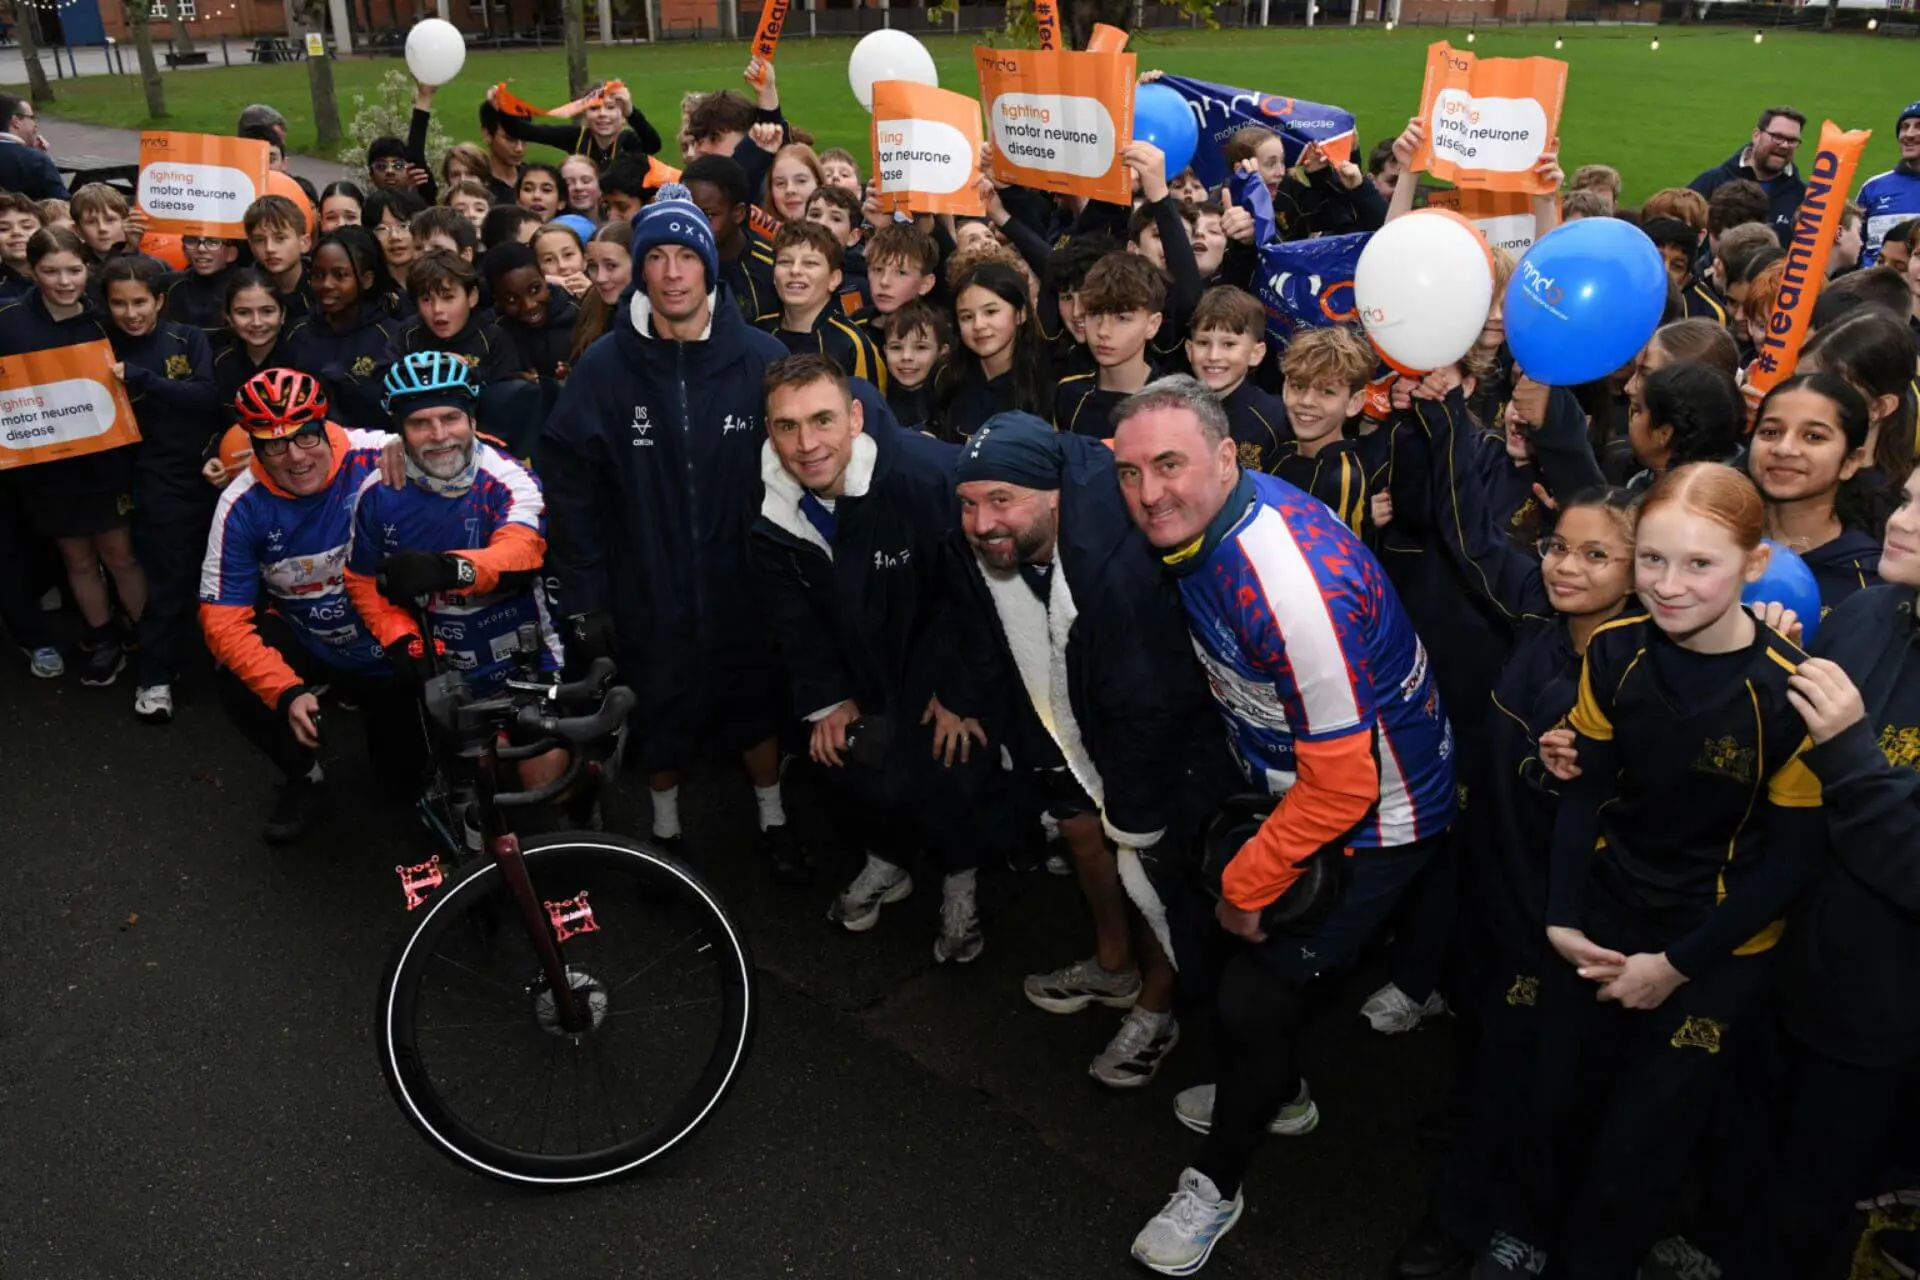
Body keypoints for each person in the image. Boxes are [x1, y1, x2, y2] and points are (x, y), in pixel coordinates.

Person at [1109, 376, 1455, 1276]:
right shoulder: (1207, 529)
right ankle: (1279, 1094)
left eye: (1172, 465)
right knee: (1238, 967)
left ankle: (1216, 1186)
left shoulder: (1289, 582)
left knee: (1253, 994)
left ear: (1228, 459)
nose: (1150, 494)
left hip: (1381, 811)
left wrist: (1250, 882)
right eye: (1132, 473)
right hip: (1291, 779)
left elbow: (1345, 786)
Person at [1487, 463, 1826, 1279]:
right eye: (1653, 562)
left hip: (1713, 946)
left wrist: (1674, 968)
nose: (1669, 586)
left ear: (1754, 564)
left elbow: (1791, 864)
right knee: (1557, 1093)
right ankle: (1527, 1230)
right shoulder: (1615, 650)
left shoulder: (1792, 695)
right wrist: (1563, 920)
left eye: (1700, 564)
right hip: (1605, 914)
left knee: (1645, 1136)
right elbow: (1586, 793)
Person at [539, 182, 808, 881]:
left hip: (742, 580)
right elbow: (571, 491)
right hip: (646, 582)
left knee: (754, 707)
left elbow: (809, 460)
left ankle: (774, 817)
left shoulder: (758, 358)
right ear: (641, 270)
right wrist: (588, 594)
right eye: (655, 256)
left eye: (684, 255)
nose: (671, 271)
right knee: (658, 711)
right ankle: (664, 834)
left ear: (708, 266)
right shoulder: (605, 366)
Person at [947, 412, 1222, 1088]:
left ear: (1056, 496)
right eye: (969, 504)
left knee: (1152, 863)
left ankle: (1161, 1003)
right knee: (1077, 824)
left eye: (1002, 501)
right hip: (1076, 709)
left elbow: (1149, 713)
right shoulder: (1016, 512)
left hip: (1173, 734)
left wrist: (1133, 812)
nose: (982, 522)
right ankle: (1112, 963)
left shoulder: (1115, 568)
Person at [1696, 458, 1920, 1276]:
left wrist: (1853, 752)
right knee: (1742, 1142)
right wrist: (1758, 674)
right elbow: (1785, 771)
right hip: (1784, 950)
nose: (1899, 520)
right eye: (1906, 500)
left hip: (1881, 1007)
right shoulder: (1867, 610)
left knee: (1809, 1198)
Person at [747, 354, 994, 961]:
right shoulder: (770, 503)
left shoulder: (928, 479)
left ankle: (962, 885)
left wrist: (958, 692)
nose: (806, 444)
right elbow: (790, 614)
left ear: (855, 417)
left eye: (823, 420)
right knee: (841, 753)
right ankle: (886, 862)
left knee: (949, 765)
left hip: (935, 662)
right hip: (857, 664)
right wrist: (828, 698)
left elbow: (981, 596)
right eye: (786, 426)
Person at [199, 369, 415, 844]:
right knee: (232, 672)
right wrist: (286, 691)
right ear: (254, 447)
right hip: (309, 641)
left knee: (404, 785)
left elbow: (468, 445)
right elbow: (222, 620)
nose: (296, 457)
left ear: (325, 425)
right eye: (275, 445)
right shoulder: (240, 504)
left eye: (306, 436)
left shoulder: (378, 453)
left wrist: (425, 446)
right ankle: (303, 775)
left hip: (392, 647)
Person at [343, 351, 561, 703]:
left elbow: (521, 552)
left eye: (451, 417)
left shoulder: (509, 478)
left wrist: (446, 569)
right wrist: (400, 638)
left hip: (528, 653)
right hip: (439, 661)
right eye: (419, 423)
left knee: (535, 755)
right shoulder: (376, 491)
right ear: (400, 431)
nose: (439, 435)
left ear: (473, 421)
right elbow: (361, 579)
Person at [0, 225, 143, 687]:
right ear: (33, 271)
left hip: (106, 461)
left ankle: (145, 639)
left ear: (88, 268)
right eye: (50, 271)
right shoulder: (8, 323)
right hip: (47, 468)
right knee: (77, 559)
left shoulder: (106, 319)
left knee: (120, 555)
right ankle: (102, 639)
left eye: (74, 270)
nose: (64, 281)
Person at [102, 255, 219, 722]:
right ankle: (154, 677)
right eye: (119, 304)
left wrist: (147, 381)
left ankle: (225, 661)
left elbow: (208, 396)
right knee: (167, 582)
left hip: (206, 473)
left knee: (220, 577)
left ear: (160, 301)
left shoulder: (187, 338)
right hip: (152, 479)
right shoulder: (99, 347)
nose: (131, 313)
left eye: (140, 302)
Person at [1747, 373, 1880, 614]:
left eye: (1813, 437)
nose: (1784, 449)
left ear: (1851, 461)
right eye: (1770, 432)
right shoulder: (1715, 540)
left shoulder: (1867, 580)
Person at [283, 226, 405, 432]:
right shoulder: (298, 332)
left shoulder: (393, 335)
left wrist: (347, 386)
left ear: (367, 280)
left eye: (340, 275)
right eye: (319, 275)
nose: (327, 284)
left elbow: (397, 411)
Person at [756, 220, 884, 387]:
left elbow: (870, 407)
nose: (795, 270)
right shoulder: (759, 331)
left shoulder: (851, 343)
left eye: (810, 263)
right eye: (785, 262)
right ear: (773, 275)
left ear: (834, 279)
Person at [1054, 253, 1167, 439]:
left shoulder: (1176, 404)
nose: (1103, 331)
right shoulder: (1070, 394)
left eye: (1122, 318)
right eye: (1094, 314)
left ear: (1152, 325)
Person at [941, 260, 1051, 442]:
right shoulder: (948, 375)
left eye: (990, 312)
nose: (978, 325)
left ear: (1021, 314)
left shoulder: (1049, 378)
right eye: (967, 317)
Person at [1184, 286, 1286, 473]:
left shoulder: (1277, 420)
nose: (1214, 356)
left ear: (1256, 353)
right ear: (1189, 350)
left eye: (1229, 344)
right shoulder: (1171, 411)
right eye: (1203, 343)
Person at [1688, 107, 1809, 241]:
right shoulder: (1711, 182)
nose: (1785, 145)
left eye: (1792, 140)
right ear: (1756, 135)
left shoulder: (1803, 197)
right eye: (1778, 137)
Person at [491, 79, 662, 172]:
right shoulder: (576, 137)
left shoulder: (629, 140)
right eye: (594, 108)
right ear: (585, 115)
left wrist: (632, 113)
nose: (602, 114)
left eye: (610, 108)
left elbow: (653, 144)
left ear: (623, 116)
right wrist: (502, 106)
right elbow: (525, 131)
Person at [682, 154, 776, 321]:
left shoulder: (771, 269)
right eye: (686, 211)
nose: (694, 224)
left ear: (738, 213)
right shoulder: (667, 261)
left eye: (707, 214)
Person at [1857, 100, 1920, 268]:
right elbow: (1853, 247)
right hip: (1874, 290)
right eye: (1905, 127)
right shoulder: (1873, 187)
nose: (1909, 134)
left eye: (1918, 126)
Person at [0, 91, 69, 200]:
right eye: (32, 117)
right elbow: (62, 204)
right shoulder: (35, 161)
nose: (35, 124)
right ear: (16, 121)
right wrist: (37, 157)